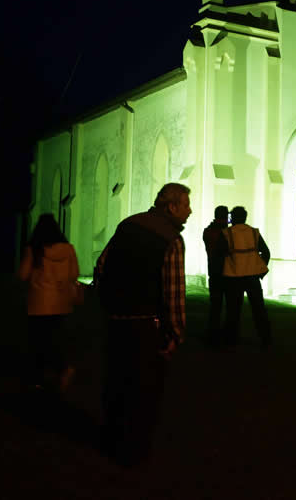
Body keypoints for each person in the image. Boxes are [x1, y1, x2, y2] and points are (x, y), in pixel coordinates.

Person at [96, 183, 191, 468]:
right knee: (144, 393)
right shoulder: (171, 239)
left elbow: (101, 266)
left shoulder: (128, 225)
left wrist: (109, 304)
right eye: (186, 204)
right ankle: (133, 452)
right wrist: (176, 333)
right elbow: (174, 292)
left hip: (117, 323)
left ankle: (112, 441)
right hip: (148, 327)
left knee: (117, 385)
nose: (190, 210)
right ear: (172, 207)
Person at [16, 213, 81, 393]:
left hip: (39, 303)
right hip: (61, 304)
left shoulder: (34, 249)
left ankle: (38, 378)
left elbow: (23, 275)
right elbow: (74, 273)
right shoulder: (68, 249)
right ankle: (62, 369)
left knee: (38, 341)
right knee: (56, 338)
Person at [220, 205, 272, 349]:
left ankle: (230, 340)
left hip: (233, 277)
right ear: (245, 217)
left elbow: (220, 256)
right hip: (252, 277)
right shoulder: (254, 233)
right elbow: (266, 252)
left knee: (233, 311)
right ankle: (266, 339)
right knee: (259, 310)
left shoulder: (226, 233)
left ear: (233, 218)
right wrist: (260, 270)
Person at [202, 205, 230, 346]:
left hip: (214, 272)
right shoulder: (225, 232)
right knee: (230, 306)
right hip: (227, 272)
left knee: (216, 306)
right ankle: (224, 335)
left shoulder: (208, 231)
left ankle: (213, 333)